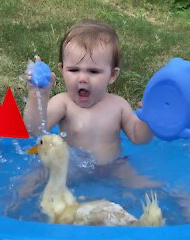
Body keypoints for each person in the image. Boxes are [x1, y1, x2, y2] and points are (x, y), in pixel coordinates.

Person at [22, 19, 159, 189]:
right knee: (31, 182)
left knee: (147, 187)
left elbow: (140, 138)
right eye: (73, 70)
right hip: (71, 168)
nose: (82, 78)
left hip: (114, 167)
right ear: (62, 70)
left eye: (93, 71)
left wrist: (149, 120)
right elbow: (33, 129)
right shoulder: (63, 103)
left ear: (112, 75)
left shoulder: (119, 105)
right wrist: (38, 96)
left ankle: (183, 203)